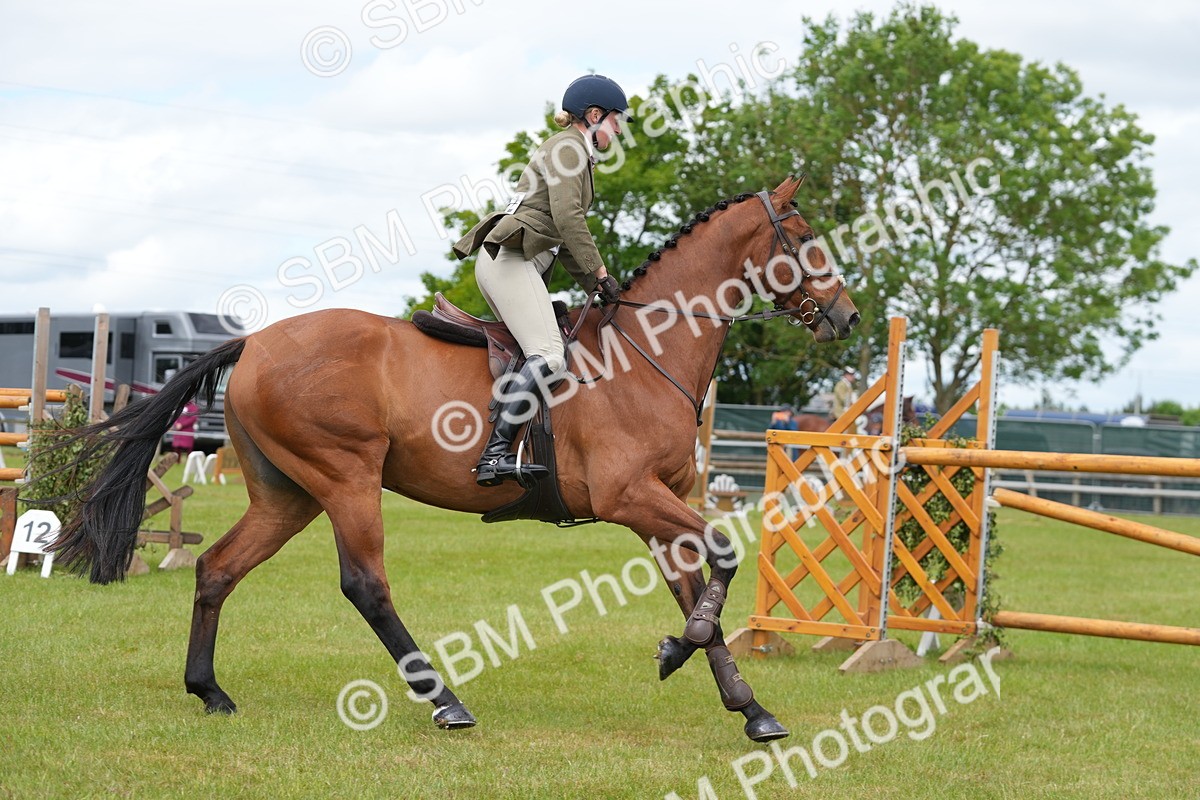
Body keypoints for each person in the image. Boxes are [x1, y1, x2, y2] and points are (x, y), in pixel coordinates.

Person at [451, 74, 632, 487]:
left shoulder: (575, 152)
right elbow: (569, 220)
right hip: (508, 261)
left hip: (516, 260)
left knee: (539, 348)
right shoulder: (569, 147)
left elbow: (562, 237)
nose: (618, 130)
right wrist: (601, 271)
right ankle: (494, 454)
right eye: (616, 120)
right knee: (550, 354)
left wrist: (596, 285)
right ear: (594, 115)